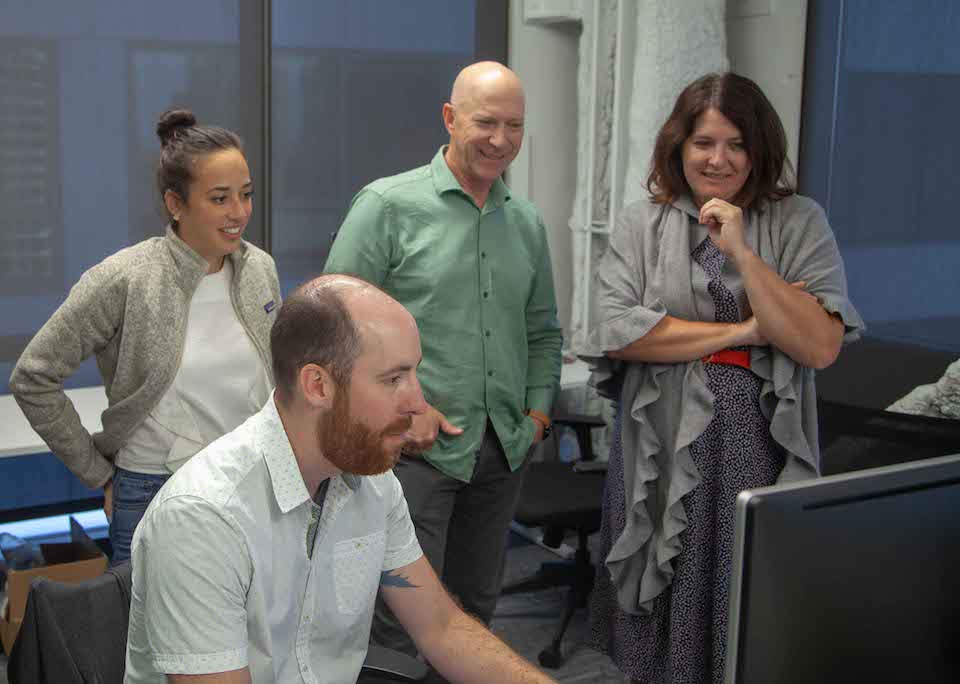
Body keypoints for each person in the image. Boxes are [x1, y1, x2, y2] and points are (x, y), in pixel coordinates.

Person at [123, 274, 558, 684]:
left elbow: (442, 628)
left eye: (414, 372)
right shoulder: (204, 518)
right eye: (394, 378)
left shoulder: (373, 483)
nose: (418, 402)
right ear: (318, 386)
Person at [580, 73, 865, 684]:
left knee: (744, 595)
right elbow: (617, 329)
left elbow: (818, 343)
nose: (718, 158)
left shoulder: (798, 222)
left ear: (758, 149)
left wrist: (742, 252)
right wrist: (744, 332)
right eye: (703, 141)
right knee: (658, 595)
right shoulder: (641, 224)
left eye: (736, 143)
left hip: (754, 448)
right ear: (678, 147)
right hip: (653, 444)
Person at [324, 61, 563, 655]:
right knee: (401, 621)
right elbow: (332, 325)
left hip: (502, 452)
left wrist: (536, 417)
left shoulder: (527, 223)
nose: (500, 140)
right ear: (451, 119)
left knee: (476, 610)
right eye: (486, 122)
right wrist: (404, 411)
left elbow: (543, 333)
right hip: (411, 455)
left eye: (515, 126)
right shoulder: (388, 206)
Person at [9, 109, 280, 563]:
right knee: (149, 633)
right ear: (176, 204)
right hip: (155, 488)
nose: (239, 213)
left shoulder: (260, 271)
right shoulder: (126, 278)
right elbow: (33, 377)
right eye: (219, 199)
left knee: (249, 628)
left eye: (246, 195)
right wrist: (98, 473)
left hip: (250, 480)